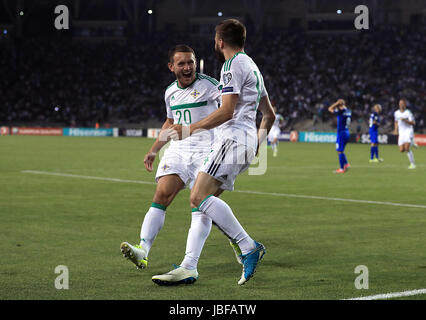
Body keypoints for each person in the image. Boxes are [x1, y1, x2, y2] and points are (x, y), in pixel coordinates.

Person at [151, 19, 276, 286]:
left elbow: (227, 111)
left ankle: (247, 245)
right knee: (201, 205)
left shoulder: (231, 66)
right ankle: (189, 267)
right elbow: (269, 115)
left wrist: (191, 128)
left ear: (219, 41)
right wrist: (255, 146)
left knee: (198, 195)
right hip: (244, 141)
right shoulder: (253, 67)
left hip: (231, 139)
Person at [120, 45, 225, 269]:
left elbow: (230, 107)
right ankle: (142, 250)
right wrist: (154, 149)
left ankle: (189, 263)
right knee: (161, 195)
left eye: (191, 62)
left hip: (208, 151)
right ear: (171, 67)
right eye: (182, 63)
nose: (188, 67)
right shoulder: (170, 92)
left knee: (200, 204)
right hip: (179, 150)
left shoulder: (211, 85)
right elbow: (170, 121)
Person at [328, 99, 352, 173]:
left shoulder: (340, 111)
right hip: (347, 132)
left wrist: (336, 103)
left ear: (339, 105)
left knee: (339, 151)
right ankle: (346, 164)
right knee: (341, 150)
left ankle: (342, 169)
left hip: (341, 133)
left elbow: (330, 109)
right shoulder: (348, 111)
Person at [394, 99, 416, 169]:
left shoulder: (408, 113)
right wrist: (395, 130)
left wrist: (405, 120)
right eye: (400, 103)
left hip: (408, 131)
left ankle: (413, 164)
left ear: (405, 105)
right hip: (401, 132)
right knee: (401, 150)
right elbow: (396, 122)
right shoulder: (396, 113)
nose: (401, 105)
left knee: (407, 148)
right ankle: (412, 143)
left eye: (402, 103)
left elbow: (413, 123)